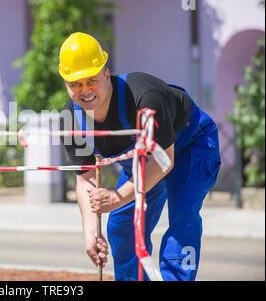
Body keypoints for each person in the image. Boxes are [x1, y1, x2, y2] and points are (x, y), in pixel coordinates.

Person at [58, 32, 221, 281]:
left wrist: (117, 196)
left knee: (183, 214)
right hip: (143, 162)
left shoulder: (144, 97)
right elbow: (86, 180)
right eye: (75, 84)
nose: (85, 90)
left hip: (189, 144)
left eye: (91, 81)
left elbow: (163, 161)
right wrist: (91, 231)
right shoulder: (71, 120)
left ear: (105, 72)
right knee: (120, 226)